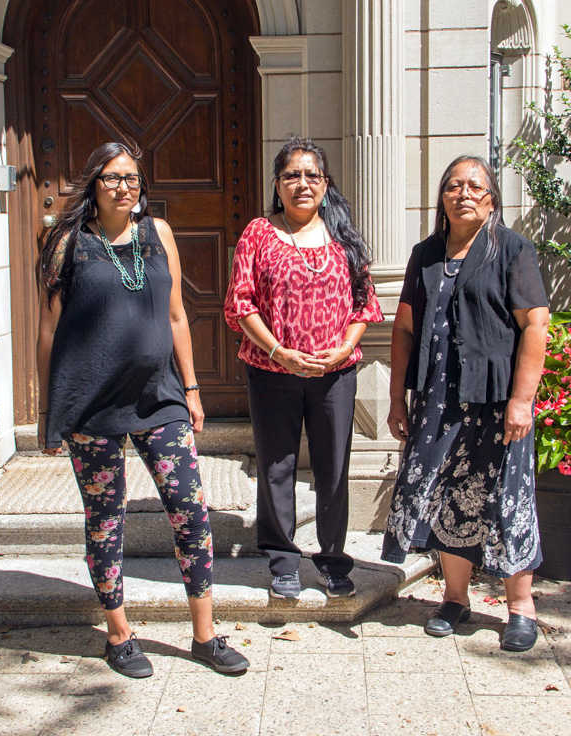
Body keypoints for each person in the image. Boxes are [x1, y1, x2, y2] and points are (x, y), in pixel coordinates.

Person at [36, 141, 249, 677]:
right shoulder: (68, 242)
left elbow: (177, 315)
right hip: (91, 404)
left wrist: (193, 389)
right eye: (111, 178)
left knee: (190, 510)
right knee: (106, 520)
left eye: (132, 177)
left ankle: (205, 634)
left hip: (160, 395)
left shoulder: (160, 235)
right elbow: (49, 329)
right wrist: (50, 408)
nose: (124, 186)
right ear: (93, 185)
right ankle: (119, 633)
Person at [381, 155, 549, 652]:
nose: (464, 193)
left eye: (475, 185)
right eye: (453, 186)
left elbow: (535, 326)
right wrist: (396, 399)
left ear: (492, 199)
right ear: (442, 199)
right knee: (446, 493)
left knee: (506, 497)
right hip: (438, 398)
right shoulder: (426, 254)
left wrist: (522, 401)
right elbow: (405, 329)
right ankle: (455, 598)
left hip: (497, 401)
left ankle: (521, 607)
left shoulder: (512, 250)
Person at [224, 135, 383, 600]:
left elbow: (363, 304)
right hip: (273, 373)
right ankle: (283, 560)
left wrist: (341, 350)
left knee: (333, 468)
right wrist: (279, 353)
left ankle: (333, 560)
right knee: (277, 466)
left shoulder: (344, 236)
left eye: (312, 175)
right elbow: (241, 304)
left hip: (335, 375)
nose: (302, 184)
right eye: (292, 175)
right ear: (278, 184)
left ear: (326, 184)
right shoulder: (259, 233)